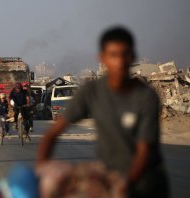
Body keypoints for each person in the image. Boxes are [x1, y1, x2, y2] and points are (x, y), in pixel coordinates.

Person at [37, 27, 168, 197]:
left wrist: (124, 185)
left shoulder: (145, 97)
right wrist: (42, 172)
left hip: (144, 182)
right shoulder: (92, 91)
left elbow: (144, 151)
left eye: (125, 54)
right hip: (108, 178)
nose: (120, 62)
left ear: (133, 57)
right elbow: (52, 134)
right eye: (113, 55)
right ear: (102, 58)